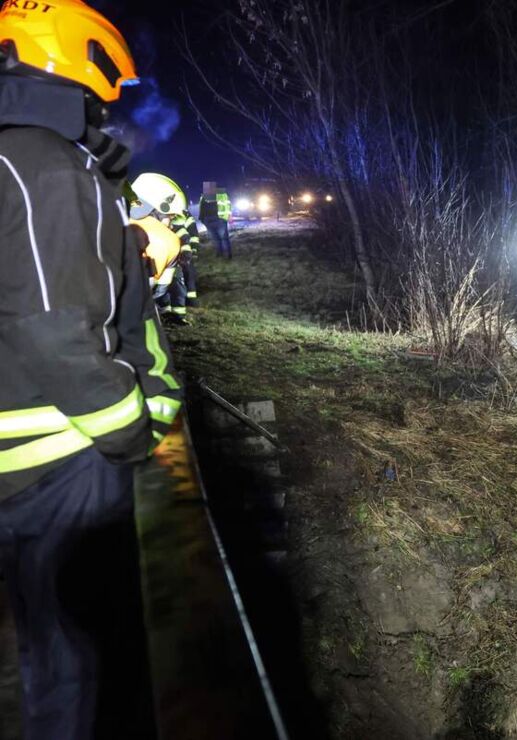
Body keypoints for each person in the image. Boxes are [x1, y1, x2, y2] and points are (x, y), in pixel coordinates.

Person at [0, 2, 183, 736]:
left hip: (25, 466)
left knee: (55, 662)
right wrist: (133, 428)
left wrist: (130, 248)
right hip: (63, 465)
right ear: (85, 58)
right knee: (89, 673)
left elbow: (46, 280)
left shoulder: (19, 157)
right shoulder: (46, 164)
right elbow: (55, 333)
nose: (111, 102)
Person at [131, 172, 198, 323]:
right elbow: (158, 288)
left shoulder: (118, 225)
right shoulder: (165, 240)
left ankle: (170, 312)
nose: (171, 221)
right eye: (170, 216)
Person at [199, 180, 233, 259]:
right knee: (215, 238)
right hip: (208, 220)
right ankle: (219, 253)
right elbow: (201, 208)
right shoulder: (203, 196)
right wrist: (202, 219)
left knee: (223, 238)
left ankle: (228, 255)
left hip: (219, 219)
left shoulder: (222, 194)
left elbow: (228, 205)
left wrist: (229, 216)